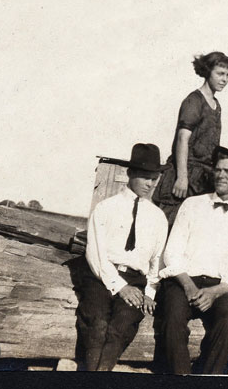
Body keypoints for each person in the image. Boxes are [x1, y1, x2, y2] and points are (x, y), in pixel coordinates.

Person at [156, 145, 228, 374]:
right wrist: (189, 286)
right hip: (183, 281)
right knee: (172, 317)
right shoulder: (192, 205)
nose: (221, 175)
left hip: (219, 287)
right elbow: (172, 252)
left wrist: (213, 293)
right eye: (219, 170)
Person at [76, 143, 169, 371]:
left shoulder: (158, 218)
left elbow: (156, 261)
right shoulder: (106, 208)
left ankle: (99, 376)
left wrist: (149, 293)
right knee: (96, 323)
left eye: (154, 178)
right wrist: (120, 286)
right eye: (145, 177)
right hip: (101, 276)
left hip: (136, 280)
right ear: (130, 174)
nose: (150, 184)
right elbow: (95, 254)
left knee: (123, 325)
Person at [153, 51, 228, 228]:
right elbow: (183, 139)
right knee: (168, 226)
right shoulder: (194, 101)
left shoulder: (216, 105)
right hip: (184, 174)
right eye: (220, 73)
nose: (224, 79)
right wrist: (182, 177)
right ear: (207, 72)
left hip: (202, 179)